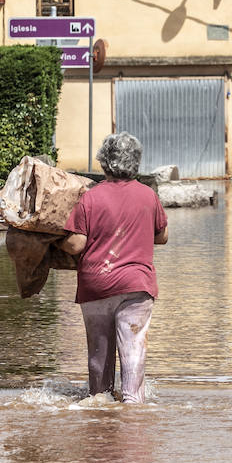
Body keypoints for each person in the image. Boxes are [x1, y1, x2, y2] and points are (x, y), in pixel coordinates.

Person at [58, 132, 169, 403]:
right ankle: (132, 407)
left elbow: (75, 245)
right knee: (133, 355)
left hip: (97, 286)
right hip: (136, 287)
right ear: (136, 163)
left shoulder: (90, 198)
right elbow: (162, 236)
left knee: (99, 357)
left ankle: (99, 405)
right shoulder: (148, 196)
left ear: (104, 163)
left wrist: (57, 240)